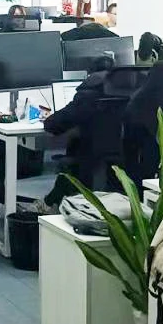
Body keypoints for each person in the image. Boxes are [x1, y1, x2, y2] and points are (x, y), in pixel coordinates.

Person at [39, 56, 117, 210]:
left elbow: (54, 125)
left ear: (89, 74)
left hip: (91, 159)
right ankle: (50, 202)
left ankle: (48, 205)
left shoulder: (89, 94)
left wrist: (49, 119)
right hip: (122, 162)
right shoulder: (127, 91)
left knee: (75, 156)